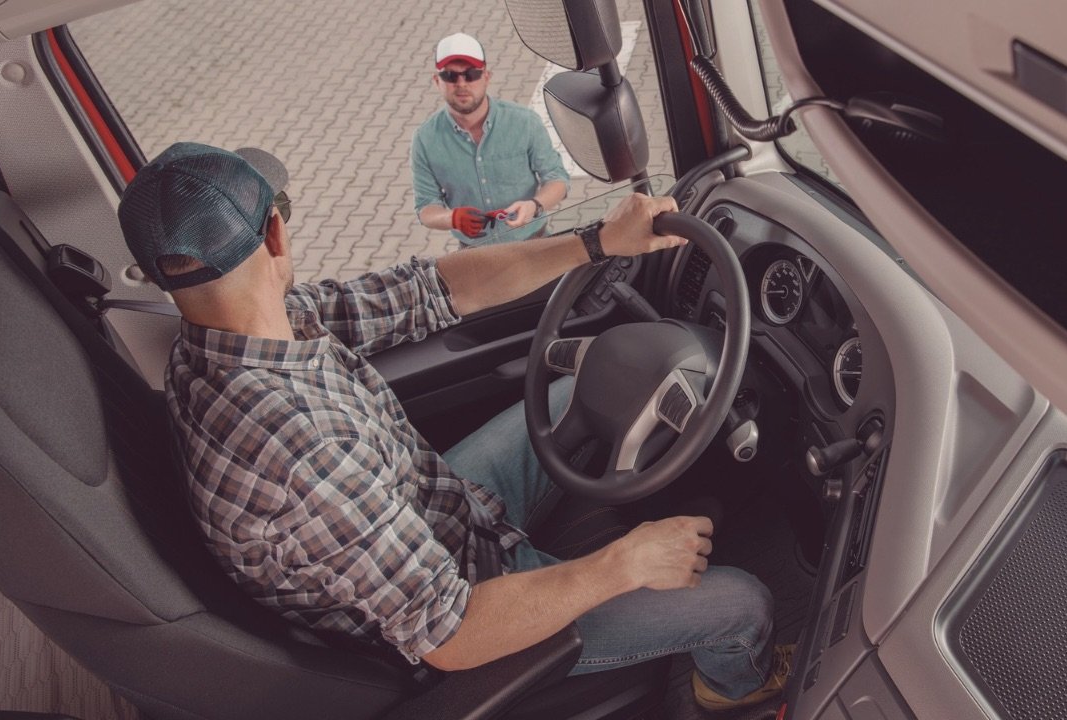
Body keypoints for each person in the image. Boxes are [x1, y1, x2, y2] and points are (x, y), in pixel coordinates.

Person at [117, 143, 792, 711]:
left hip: (441, 512)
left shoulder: (235, 337)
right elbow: (453, 633)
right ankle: (734, 690)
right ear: (275, 232)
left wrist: (596, 243)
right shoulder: (296, 451)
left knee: (580, 386)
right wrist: (625, 563)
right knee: (744, 603)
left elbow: (436, 290)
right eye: (281, 208)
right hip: (471, 611)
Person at [411, 33, 569, 246]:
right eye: (450, 76)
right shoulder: (425, 140)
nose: (461, 83)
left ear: (486, 76)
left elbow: (557, 179)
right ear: (436, 80)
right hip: (475, 256)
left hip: (534, 243)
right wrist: (452, 218)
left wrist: (534, 205)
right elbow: (425, 207)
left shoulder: (524, 122)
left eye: (471, 74)